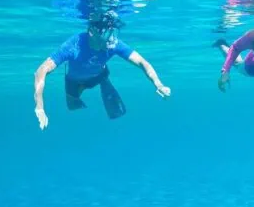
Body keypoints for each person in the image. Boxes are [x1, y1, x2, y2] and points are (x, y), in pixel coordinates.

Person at [33, 9, 171, 130]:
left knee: (100, 79)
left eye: (114, 34)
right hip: (74, 80)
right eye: (108, 35)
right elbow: (41, 70)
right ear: (92, 32)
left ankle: (104, 81)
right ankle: (102, 82)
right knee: (72, 106)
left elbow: (142, 62)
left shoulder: (114, 44)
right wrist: (39, 106)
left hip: (99, 75)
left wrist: (158, 84)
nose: (112, 41)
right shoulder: (74, 45)